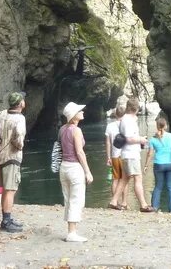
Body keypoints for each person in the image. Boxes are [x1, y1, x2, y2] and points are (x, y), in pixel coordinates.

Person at [0, 91, 27, 233]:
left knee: (5, 190)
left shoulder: (2, 114)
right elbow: (19, 139)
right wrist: (18, 145)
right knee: (10, 190)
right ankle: (7, 222)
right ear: (21, 104)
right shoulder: (20, 119)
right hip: (12, 158)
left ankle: (5, 218)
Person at [111, 97, 155, 212]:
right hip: (131, 155)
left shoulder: (125, 119)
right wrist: (141, 140)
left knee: (124, 179)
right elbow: (129, 139)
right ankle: (143, 205)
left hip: (126, 154)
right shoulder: (128, 121)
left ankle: (114, 201)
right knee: (138, 178)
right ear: (136, 108)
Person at [59, 102, 93, 242]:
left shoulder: (62, 129)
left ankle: (70, 230)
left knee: (68, 199)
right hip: (74, 168)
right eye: (80, 110)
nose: (83, 111)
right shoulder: (76, 131)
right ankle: (72, 233)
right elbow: (79, 152)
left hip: (64, 167)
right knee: (76, 200)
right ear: (73, 115)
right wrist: (87, 171)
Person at [144, 117, 171, 212]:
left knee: (158, 186)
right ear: (166, 126)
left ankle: (154, 207)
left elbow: (150, 154)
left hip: (158, 164)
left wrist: (146, 165)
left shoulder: (153, 139)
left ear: (157, 126)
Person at [105, 106, 128, 209]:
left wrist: (108, 157)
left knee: (115, 179)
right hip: (125, 155)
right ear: (125, 114)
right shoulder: (127, 125)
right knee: (125, 179)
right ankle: (124, 202)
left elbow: (108, 142)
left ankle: (115, 202)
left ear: (115, 114)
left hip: (114, 156)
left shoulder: (109, 126)